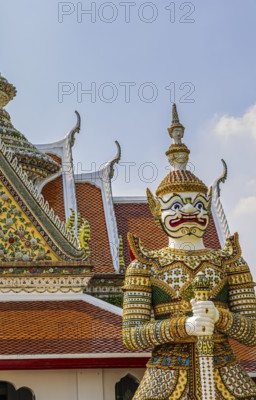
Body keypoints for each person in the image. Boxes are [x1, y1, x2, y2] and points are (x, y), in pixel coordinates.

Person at [122, 104, 256, 399]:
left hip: (224, 372)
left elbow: (252, 332)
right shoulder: (145, 266)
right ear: (157, 212)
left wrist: (220, 318)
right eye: (176, 205)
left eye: (197, 204)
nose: (188, 211)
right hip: (166, 375)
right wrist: (186, 325)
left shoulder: (229, 261)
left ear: (207, 208)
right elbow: (132, 335)